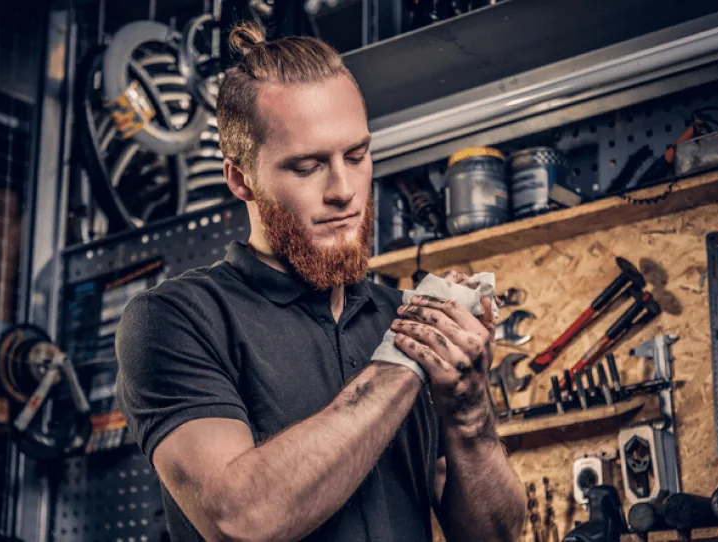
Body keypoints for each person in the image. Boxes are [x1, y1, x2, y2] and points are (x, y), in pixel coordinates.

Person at [116, 19, 526, 542]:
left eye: (356, 156)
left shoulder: (398, 313)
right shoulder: (176, 321)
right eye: (307, 166)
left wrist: (469, 415)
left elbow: (498, 536)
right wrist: (404, 362)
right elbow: (240, 519)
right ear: (241, 177)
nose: (344, 190)